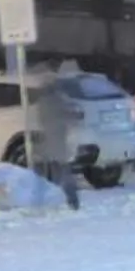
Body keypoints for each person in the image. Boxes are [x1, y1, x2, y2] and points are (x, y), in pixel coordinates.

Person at [31, 79, 81, 209]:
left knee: (52, 173)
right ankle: (72, 200)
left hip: (48, 142)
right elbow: (65, 115)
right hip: (58, 142)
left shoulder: (42, 103)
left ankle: (46, 199)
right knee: (63, 172)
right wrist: (75, 115)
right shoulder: (56, 101)